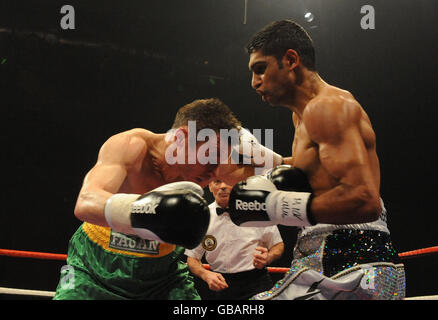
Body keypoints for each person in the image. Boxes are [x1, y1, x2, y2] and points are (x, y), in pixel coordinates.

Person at [228, 20, 405, 300]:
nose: (254, 82)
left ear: (290, 60)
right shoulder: (303, 114)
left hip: (349, 265)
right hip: (334, 261)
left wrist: (274, 206)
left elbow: (365, 201)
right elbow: (319, 171)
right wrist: (263, 163)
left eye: (260, 68)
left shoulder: (327, 107)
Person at [53, 98, 283, 300]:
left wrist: (274, 159)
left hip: (163, 274)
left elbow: (289, 170)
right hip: (96, 265)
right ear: (182, 137)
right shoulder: (132, 146)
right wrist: (148, 211)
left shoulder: (213, 164)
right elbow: (85, 202)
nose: (215, 173)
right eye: (211, 160)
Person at [185, 179, 284, 300]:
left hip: (256, 282)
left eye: (228, 182)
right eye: (217, 182)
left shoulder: (256, 210)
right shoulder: (201, 216)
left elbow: (278, 245)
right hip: (220, 285)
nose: (223, 186)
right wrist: (205, 274)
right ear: (210, 186)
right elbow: (192, 259)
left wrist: (268, 258)